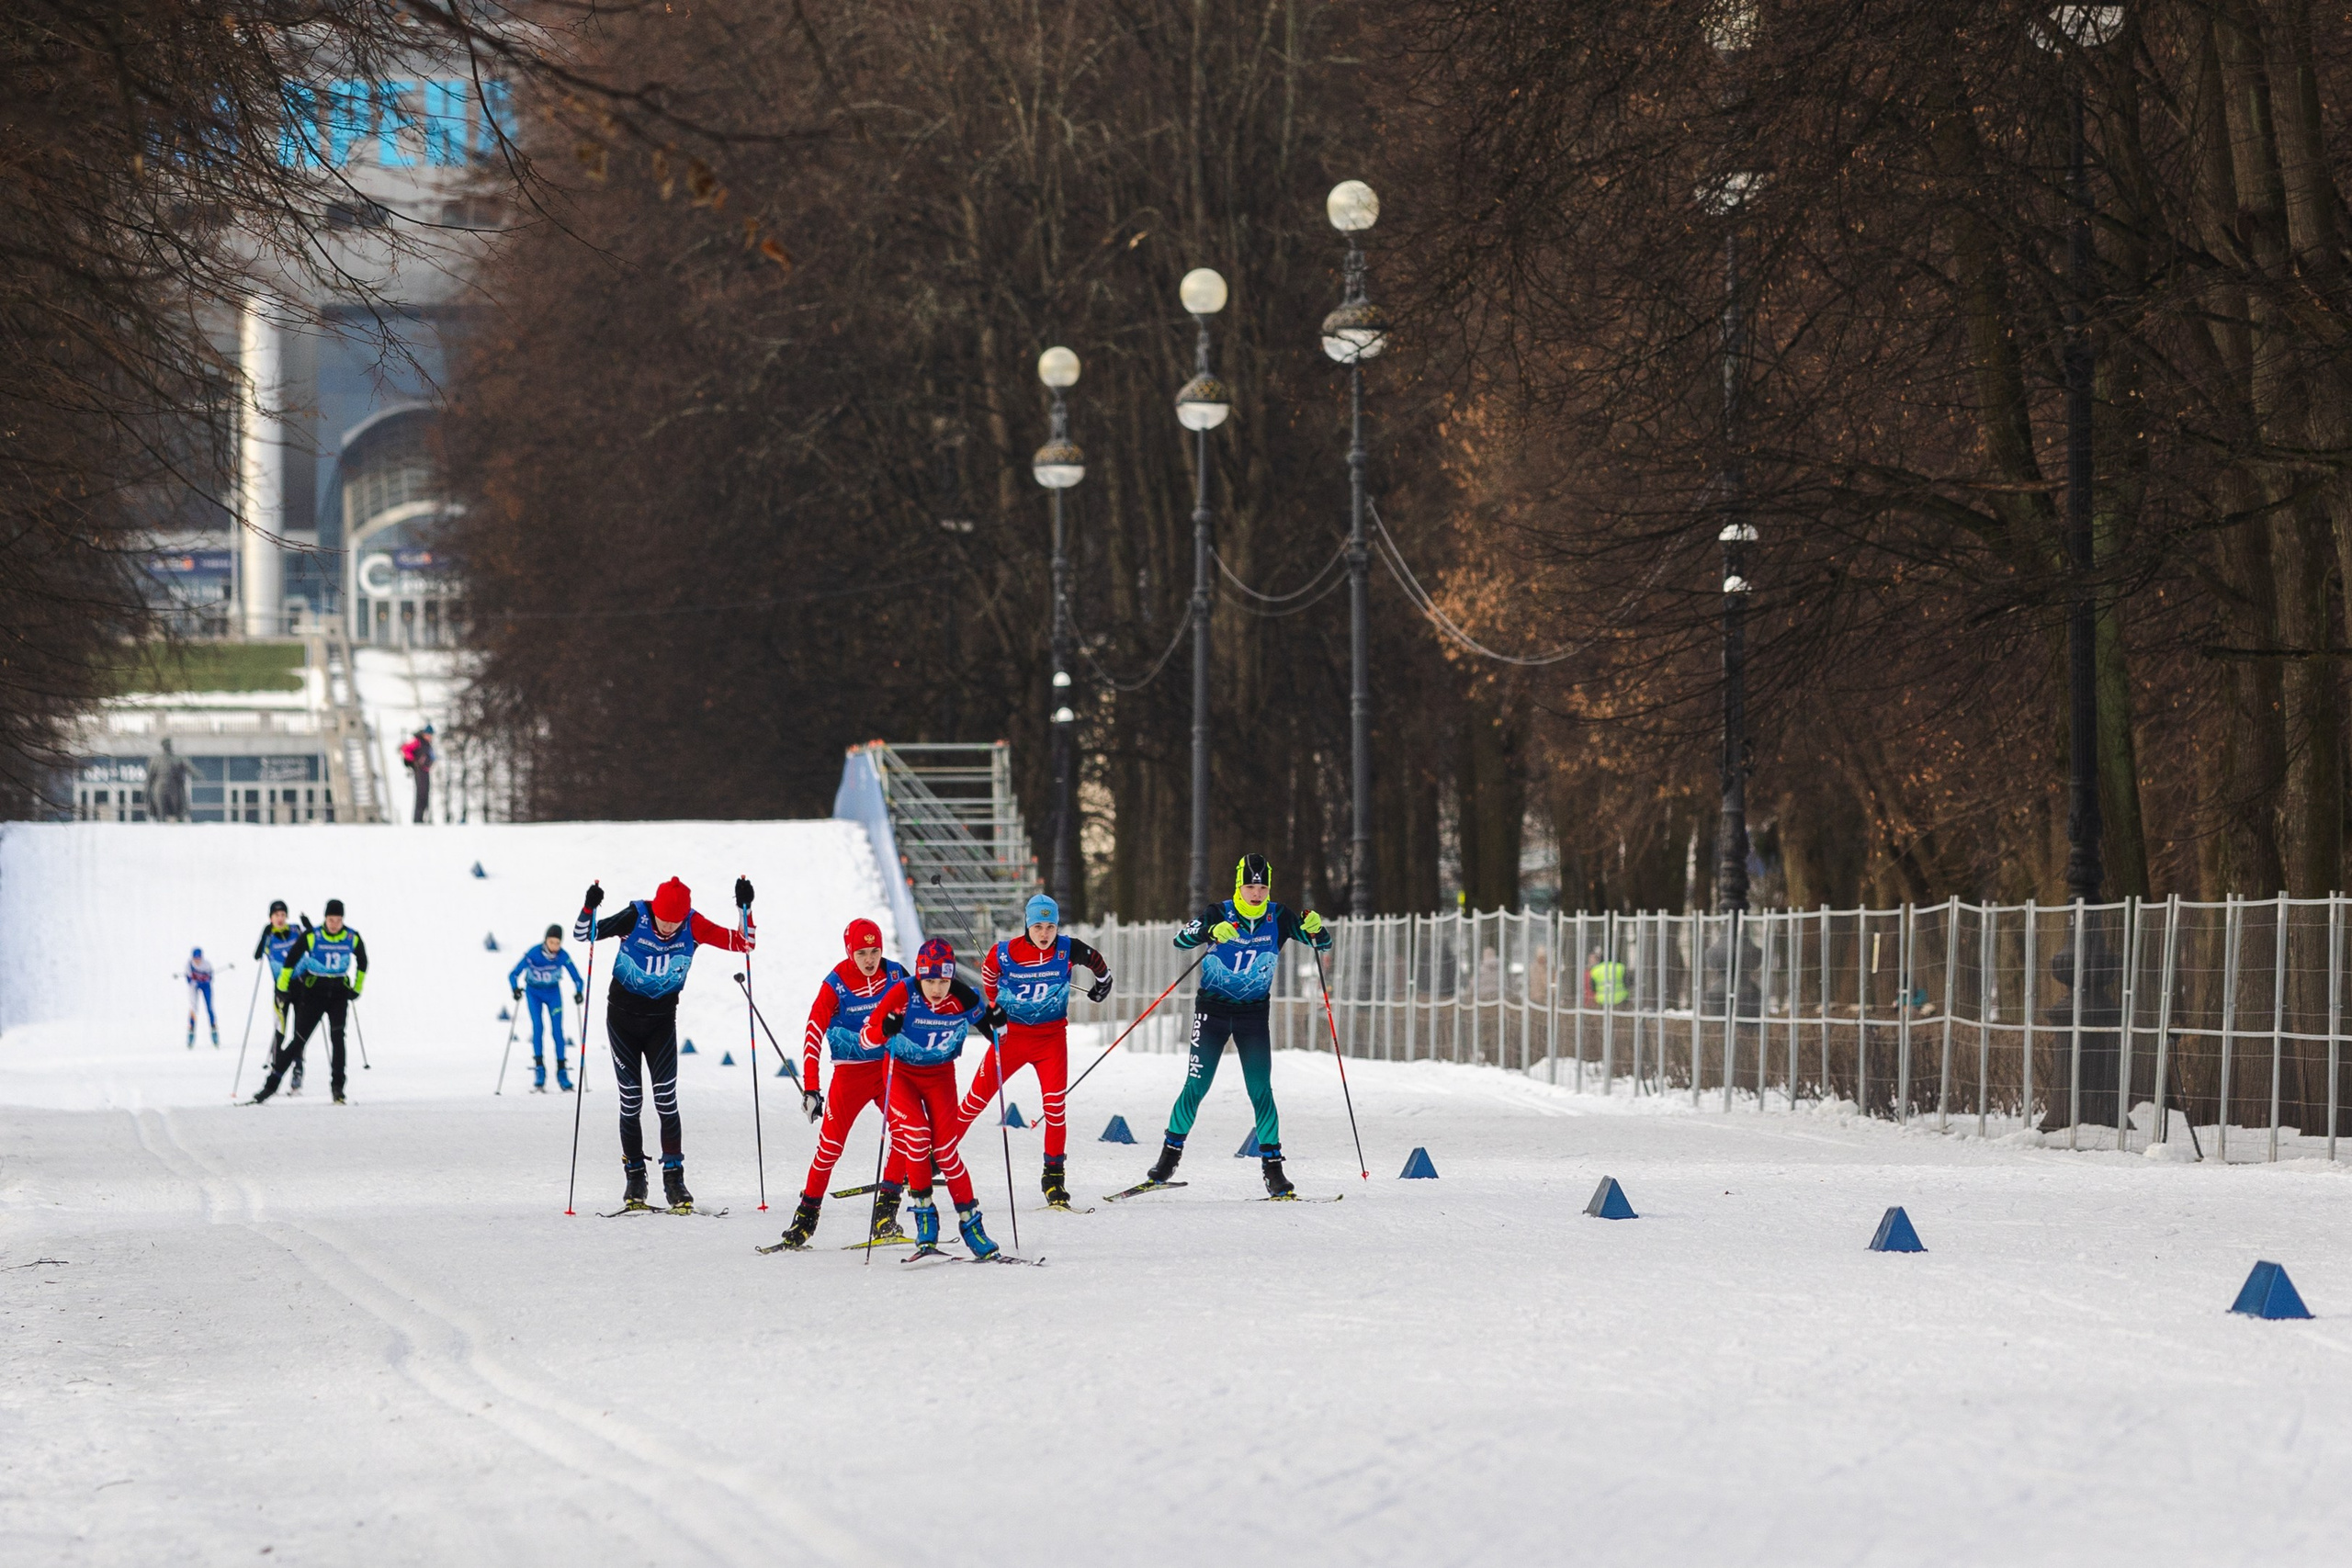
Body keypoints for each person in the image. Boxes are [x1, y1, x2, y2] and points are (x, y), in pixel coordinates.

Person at [1138, 853, 1331, 1199]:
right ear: (1239, 885)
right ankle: (1167, 1160)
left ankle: (1273, 1170)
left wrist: (1317, 926)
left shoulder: (1279, 916)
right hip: (1212, 1011)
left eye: (1262, 886)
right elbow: (1181, 940)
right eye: (1249, 886)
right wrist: (1210, 930)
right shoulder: (1219, 911)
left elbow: (1321, 944)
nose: (1256, 893)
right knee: (1196, 1086)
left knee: (1261, 1090)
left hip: (1253, 1014)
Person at [572, 874, 752, 1213]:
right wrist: (589, 907)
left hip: (661, 1023)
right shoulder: (635, 915)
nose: (669, 928)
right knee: (632, 1100)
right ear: (655, 909)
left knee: (666, 1099)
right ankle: (635, 1177)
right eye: (664, 919)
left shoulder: (693, 924)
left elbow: (744, 943)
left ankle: (674, 1178)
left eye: (676, 921)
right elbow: (584, 935)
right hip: (622, 1019)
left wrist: (746, 907)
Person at [954, 893, 1112, 1210]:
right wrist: (995, 1007)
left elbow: (1095, 960)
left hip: (1050, 1039)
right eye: (1038, 926)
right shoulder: (1006, 952)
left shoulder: (1069, 948)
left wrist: (1103, 982)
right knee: (974, 1101)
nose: (1044, 934)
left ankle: (1053, 1177)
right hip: (1012, 1038)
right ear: (1028, 925)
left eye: (1050, 927)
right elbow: (989, 973)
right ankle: (935, 1156)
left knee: (1055, 1108)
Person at [770, 919, 916, 1250]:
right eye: (862, 952)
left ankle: (885, 1215)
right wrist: (811, 1087)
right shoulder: (836, 984)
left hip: (887, 1071)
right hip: (850, 1076)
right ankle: (805, 1218)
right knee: (830, 1149)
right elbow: (813, 1032)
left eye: (875, 951)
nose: (869, 959)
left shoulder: (895, 975)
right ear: (850, 951)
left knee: (906, 1134)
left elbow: (920, 1011)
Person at [863, 938, 1004, 1259]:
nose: (937, 989)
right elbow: (867, 1038)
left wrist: (999, 1024)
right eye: (930, 980)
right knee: (917, 1135)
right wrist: (886, 1028)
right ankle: (926, 1220)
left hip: (940, 1076)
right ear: (919, 976)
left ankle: (973, 1226)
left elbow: (994, 1031)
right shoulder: (902, 993)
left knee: (946, 1151)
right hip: (901, 1075)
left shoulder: (963, 995)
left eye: (943, 980)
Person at [250, 900, 368, 1105]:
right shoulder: (313, 935)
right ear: (325, 918)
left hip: (339, 991)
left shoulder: (351, 937)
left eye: (338, 920)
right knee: (298, 1040)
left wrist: (357, 988)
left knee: (338, 1038)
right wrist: (283, 986)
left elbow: (363, 961)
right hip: (315, 992)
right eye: (331, 919)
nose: (334, 924)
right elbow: (291, 960)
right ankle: (270, 1086)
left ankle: (338, 1088)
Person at [507, 924, 584, 1092]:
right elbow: (513, 974)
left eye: (557, 943)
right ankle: (539, 1072)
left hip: (553, 994)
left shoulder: (563, 956)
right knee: (538, 1027)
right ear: (545, 940)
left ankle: (562, 1073)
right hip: (533, 993)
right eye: (551, 942)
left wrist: (579, 992)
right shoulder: (533, 953)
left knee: (557, 1031)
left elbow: (578, 978)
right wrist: (515, 989)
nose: (554, 946)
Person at [253, 901, 305, 1089]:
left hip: (301, 987)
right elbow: (257, 956)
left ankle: (298, 1068)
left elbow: (312, 941)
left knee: (299, 1031)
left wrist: (307, 925)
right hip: (281, 991)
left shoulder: (296, 930)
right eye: (277, 915)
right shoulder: (269, 935)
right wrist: (263, 935)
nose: (280, 918)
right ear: (271, 918)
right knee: (280, 1031)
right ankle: (276, 1068)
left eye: (283, 915)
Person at [400, 724, 436, 823]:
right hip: (419, 771)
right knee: (421, 794)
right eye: (429, 734)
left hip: (425, 770)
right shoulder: (418, 741)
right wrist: (414, 760)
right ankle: (417, 819)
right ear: (424, 734)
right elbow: (405, 749)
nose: (430, 736)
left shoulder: (427, 743)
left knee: (425, 795)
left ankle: (422, 818)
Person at [183, 948, 218, 1049]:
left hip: (206, 987)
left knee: (209, 1008)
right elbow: (188, 980)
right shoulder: (189, 965)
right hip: (194, 987)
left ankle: (214, 1031)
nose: (197, 961)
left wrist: (205, 979)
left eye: (199, 958)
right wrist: (195, 980)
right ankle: (191, 1033)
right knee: (193, 1008)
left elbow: (211, 977)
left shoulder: (207, 964)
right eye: (195, 958)